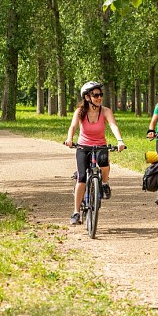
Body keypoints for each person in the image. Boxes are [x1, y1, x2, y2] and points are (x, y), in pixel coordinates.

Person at [64, 81, 126, 226]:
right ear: (87, 97)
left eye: (100, 95)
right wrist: (69, 139)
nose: (99, 98)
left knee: (104, 163)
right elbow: (73, 126)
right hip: (83, 146)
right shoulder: (80, 112)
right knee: (82, 178)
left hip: (100, 145)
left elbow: (113, 125)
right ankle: (76, 212)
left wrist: (120, 140)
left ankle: (104, 183)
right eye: (95, 95)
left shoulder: (105, 111)